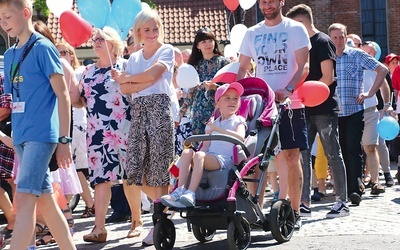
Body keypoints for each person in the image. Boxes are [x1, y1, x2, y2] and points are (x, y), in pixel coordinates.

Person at [0, 1, 76, 249]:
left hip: (42, 136)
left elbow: (63, 95)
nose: (3, 23)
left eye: (7, 17)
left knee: (22, 202)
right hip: (22, 136)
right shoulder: (10, 55)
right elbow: (15, 99)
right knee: (46, 201)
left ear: (25, 13)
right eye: (0, 18)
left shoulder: (43, 48)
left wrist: (64, 140)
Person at [237, 0, 310, 228]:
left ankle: (294, 211)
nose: (267, 5)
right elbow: (242, 68)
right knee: (257, 160)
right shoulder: (252, 33)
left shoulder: (295, 29)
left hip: (291, 104)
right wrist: (240, 96)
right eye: (263, 2)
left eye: (271, 1)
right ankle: (254, 212)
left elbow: (304, 66)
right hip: (262, 106)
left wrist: (288, 89)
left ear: (281, 2)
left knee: (290, 157)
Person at [110, 9, 175, 246]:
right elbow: (127, 89)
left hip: (159, 110)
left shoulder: (166, 50)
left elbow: (154, 75)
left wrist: (127, 79)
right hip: (139, 113)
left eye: (155, 28)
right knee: (134, 172)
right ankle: (166, 203)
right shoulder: (134, 58)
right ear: (138, 32)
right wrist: (136, 81)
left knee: (159, 167)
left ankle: (158, 221)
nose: (151, 33)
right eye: (146, 29)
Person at [286, 4, 349, 218]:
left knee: (332, 153)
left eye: (294, 25)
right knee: (302, 155)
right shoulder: (297, 45)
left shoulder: (322, 41)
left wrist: (310, 97)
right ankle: (303, 202)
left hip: (323, 107)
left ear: (303, 23)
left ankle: (342, 202)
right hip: (302, 107)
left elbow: (327, 77)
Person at [74, 26, 131, 243]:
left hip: (125, 129)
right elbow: (79, 101)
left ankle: (142, 219)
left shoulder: (125, 66)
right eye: (95, 39)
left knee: (134, 177)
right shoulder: (88, 71)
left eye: (102, 39)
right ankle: (99, 228)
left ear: (114, 43)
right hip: (97, 132)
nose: (96, 42)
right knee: (101, 180)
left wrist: (124, 79)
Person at [328, 23, 388, 205]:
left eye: (341, 37)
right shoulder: (327, 58)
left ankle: (355, 189)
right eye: (334, 37)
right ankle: (344, 189)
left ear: (346, 38)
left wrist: (370, 93)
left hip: (354, 110)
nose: (338, 41)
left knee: (353, 149)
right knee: (339, 152)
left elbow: (383, 70)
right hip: (334, 112)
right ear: (330, 39)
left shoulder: (356, 54)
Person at [161, 82, 246, 207]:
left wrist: (217, 129)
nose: (232, 101)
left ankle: (191, 193)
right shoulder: (213, 123)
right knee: (187, 152)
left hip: (224, 160)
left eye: (236, 98)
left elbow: (240, 137)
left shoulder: (238, 120)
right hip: (209, 157)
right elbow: (205, 146)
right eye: (227, 98)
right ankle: (180, 190)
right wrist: (196, 157)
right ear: (218, 103)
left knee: (199, 155)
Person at [55, 42, 95, 218]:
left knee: (74, 168)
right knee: (74, 170)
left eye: (65, 52)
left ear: (72, 55)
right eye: (58, 52)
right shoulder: (55, 72)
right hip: (67, 123)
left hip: (78, 125)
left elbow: (79, 97)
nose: (62, 55)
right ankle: (88, 204)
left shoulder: (78, 72)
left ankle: (70, 208)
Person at [179, 27, 230, 137]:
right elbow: (191, 93)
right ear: (198, 45)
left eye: (210, 40)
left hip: (217, 112)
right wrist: (181, 112)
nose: (208, 44)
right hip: (198, 114)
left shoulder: (224, 63)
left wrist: (215, 88)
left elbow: (231, 89)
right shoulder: (195, 66)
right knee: (198, 148)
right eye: (203, 42)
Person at [360, 41, 391, 195]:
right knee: (354, 150)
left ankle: (376, 182)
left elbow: (384, 85)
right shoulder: (350, 62)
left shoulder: (373, 66)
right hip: (351, 113)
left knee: (371, 146)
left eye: (370, 52)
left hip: (371, 110)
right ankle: (356, 182)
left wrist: (387, 104)